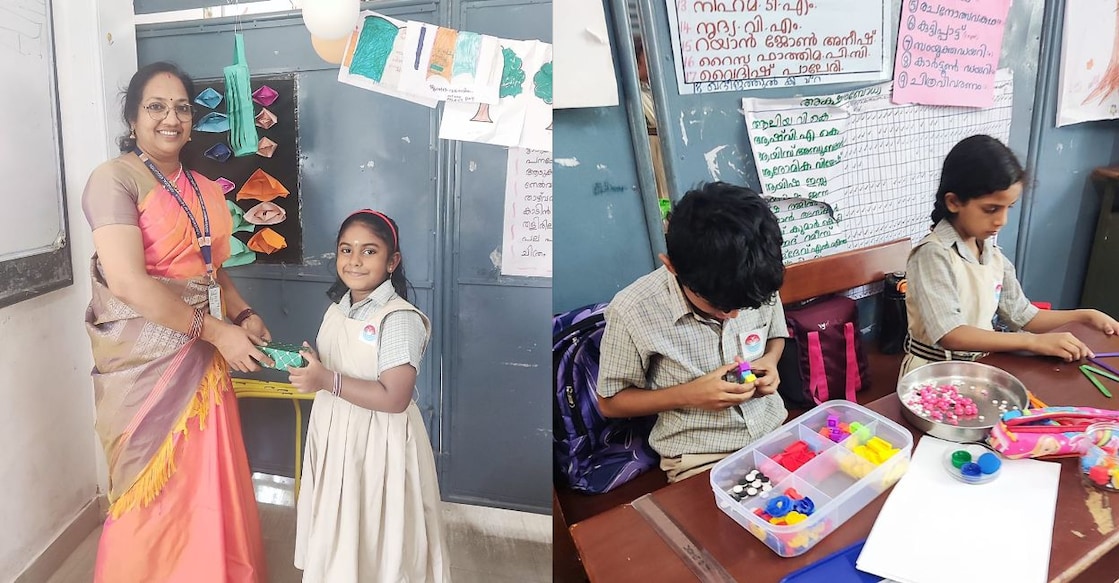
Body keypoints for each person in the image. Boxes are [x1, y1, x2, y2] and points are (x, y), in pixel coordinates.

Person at [82, 61, 271, 581]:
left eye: (182, 108)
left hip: (204, 358)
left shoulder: (206, 187)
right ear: (132, 116)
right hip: (144, 364)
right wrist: (218, 331)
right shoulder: (114, 179)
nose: (171, 118)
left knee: (206, 474)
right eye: (156, 107)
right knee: (149, 483)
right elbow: (127, 282)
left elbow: (213, 271)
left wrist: (243, 313)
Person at [289, 209, 450, 582]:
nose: (355, 261)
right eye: (346, 250)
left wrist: (325, 378)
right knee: (340, 529)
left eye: (369, 251)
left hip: (377, 444)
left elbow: (394, 398)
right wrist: (315, 365)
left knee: (377, 536)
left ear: (392, 261)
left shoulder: (398, 318)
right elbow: (339, 363)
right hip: (336, 436)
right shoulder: (338, 309)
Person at [596, 182, 788, 483]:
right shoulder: (633, 310)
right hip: (700, 457)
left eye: (743, 306)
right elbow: (610, 402)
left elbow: (775, 334)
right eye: (718, 306)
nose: (734, 315)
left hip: (774, 431)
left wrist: (771, 361)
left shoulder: (754, 278)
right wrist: (690, 395)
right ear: (671, 266)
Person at [901, 134, 1119, 377]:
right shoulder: (933, 254)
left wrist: (1085, 316)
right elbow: (952, 334)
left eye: (1008, 208)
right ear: (953, 202)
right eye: (991, 209)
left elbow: (1023, 315)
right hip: (931, 376)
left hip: (976, 370)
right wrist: (1032, 342)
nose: (1002, 220)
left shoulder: (992, 254)